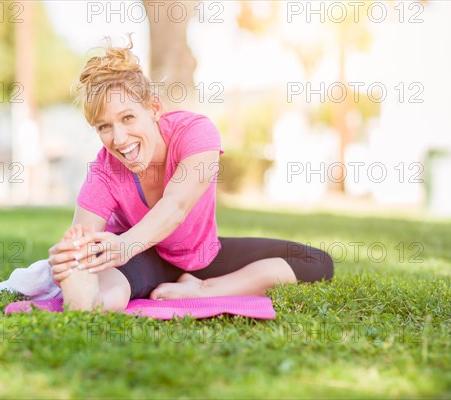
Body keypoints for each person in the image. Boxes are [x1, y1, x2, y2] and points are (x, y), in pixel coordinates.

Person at [48, 37, 334, 311]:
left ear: (155, 109)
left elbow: (176, 206)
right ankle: (89, 301)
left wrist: (124, 245)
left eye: (127, 117)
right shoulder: (103, 173)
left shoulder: (195, 134)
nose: (119, 139)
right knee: (105, 282)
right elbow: (82, 240)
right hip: (142, 257)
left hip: (201, 255)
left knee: (314, 261)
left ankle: (203, 288)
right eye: (104, 127)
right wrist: (72, 258)